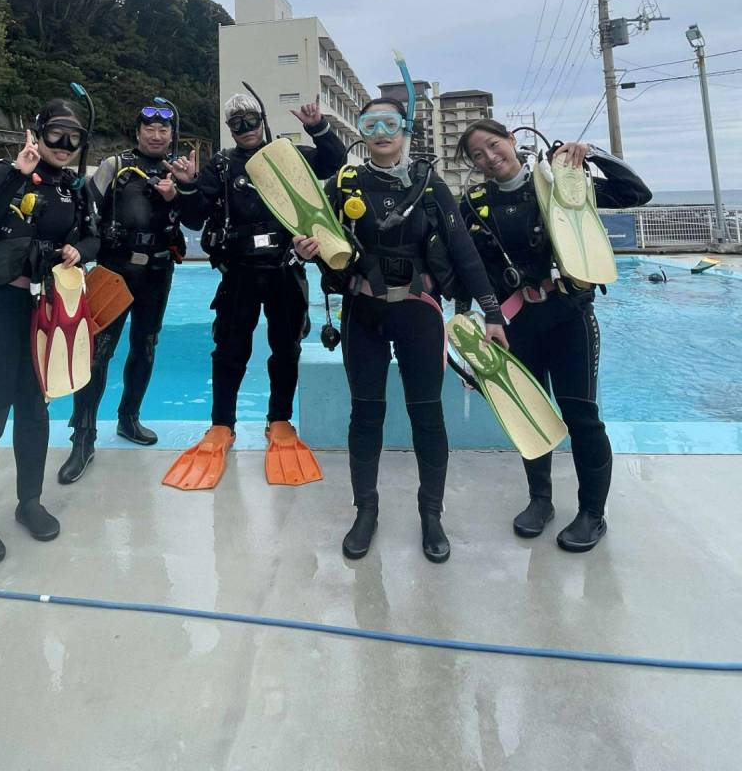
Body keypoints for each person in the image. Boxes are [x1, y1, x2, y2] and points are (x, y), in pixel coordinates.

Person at [294, 98, 507, 562]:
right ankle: (365, 512)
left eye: (390, 123)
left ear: (405, 128)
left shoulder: (430, 186)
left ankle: (431, 515)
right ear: (361, 131)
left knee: (427, 416)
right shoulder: (343, 184)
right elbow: (313, 231)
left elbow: (463, 250)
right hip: (363, 314)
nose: (381, 132)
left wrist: (491, 313)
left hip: (419, 315)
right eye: (371, 124)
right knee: (365, 415)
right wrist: (303, 248)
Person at [456, 119, 651, 552]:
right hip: (516, 324)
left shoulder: (558, 184)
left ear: (512, 140)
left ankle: (592, 513)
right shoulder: (473, 205)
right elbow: (466, 268)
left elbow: (636, 194)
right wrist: (470, 328)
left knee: (581, 416)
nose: (490, 158)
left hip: (569, 317)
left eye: (494, 145)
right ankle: (540, 501)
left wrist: (592, 154)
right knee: (529, 412)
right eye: (477, 155)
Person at [164, 92, 347, 487]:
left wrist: (318, 128)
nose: (245, 129)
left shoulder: (287, 156)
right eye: (236, 124)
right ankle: (222, 424)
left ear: (262, 120)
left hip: (285, 267)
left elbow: (334, 162)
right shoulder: (221, 166)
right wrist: (189, 185)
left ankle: (279, 419)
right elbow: (195, 219)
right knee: (229, 350)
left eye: (250, 120)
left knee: (286, 347)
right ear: (229, 129)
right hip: (239, 271)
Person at [0, 98, 98, 564]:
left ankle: (29, 502)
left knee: (34, 411)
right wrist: (19, 172)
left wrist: (79, 251)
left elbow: (94, 236)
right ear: (38, 132)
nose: (65, 144)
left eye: (74, 137)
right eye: (56, 133)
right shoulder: (2, 173)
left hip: (39, 314)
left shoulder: (73, 189)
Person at [58, 101, 186, 483]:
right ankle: (83, 437)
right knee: (98, 353)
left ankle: (129, 418)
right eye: (149, 128)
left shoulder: (178, 172)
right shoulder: (114, 166)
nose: (156, 135)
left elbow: (195, 216)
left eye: (164, 129)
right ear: (138, 131)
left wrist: (179, 193)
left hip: (158, 272)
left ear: (172, 135)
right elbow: (84, 213)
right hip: (115, 270)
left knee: (145, 347)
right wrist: (77, 250)